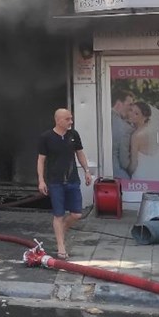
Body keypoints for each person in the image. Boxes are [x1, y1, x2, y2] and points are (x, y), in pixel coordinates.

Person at [37, 108, 93, 260]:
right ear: (58, 120)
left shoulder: (73, 135)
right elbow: (41, 160)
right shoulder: (46, 137)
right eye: (67, 119)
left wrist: (87, 170)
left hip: (73, 179)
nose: (71, 122)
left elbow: (80, 153)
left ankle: (60, 231)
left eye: (71, 119)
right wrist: (41, 180)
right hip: (55, 181)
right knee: (59, 214)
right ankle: (61, 247)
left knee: (76, 214)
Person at [126, 101, 159, 184]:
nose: (131, 114)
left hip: (141, 175)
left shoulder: (137, 135)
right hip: (155, 174)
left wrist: (127, 172)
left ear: (145, 117)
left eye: (136, 113)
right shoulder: (153, 131)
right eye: (131, 110)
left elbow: (134, 164)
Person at [110, 88, 135, 180]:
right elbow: (124, 162)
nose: (131, 108)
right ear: (119, 104)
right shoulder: (125, 128)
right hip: (117, 173)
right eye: (129, 105)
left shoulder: (99, 118)